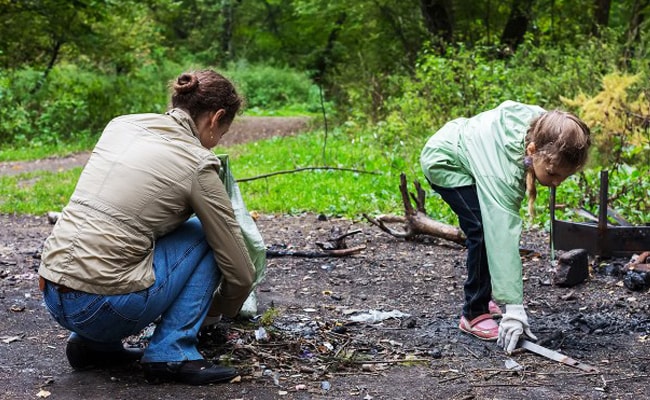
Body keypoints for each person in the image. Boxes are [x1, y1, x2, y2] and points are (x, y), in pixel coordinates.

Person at [38, 69, 257, 385]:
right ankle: (173, 351)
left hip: (53, 291)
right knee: (207, 234)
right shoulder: (197, 162)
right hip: (103, 309)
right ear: (216, 118)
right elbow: (241, 270)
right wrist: (216, 313)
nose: (218, 141)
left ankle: (95, 346)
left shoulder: (122, 125)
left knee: (124, 232)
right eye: (223, 132)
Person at [420, 100, 591, 353]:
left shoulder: (546, 128)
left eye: (564, 177)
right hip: (446, 161)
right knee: (481, 228)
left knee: (483, 226)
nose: (556, 183)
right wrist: (514, 307)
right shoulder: (502, 172)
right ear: (532, 151)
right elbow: (500, 233)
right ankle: (474, 312)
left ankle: (484, 293)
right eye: (553, 174)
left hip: (465, 145)